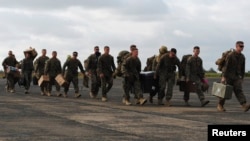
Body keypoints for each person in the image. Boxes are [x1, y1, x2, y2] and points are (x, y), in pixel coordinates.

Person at [218, 41, 250, 112]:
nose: (242, 48)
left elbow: (243, 68)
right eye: (240, 46)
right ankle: (220, 105)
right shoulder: (230, 55)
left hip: (236, 77)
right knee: (225, 92)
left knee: (239, 90)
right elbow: (226, 67)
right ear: (236, 46)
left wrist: (242, 78)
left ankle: (244, 105)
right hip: (228, 76)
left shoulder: (242, 57)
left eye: (243, 46)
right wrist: (223, 77)